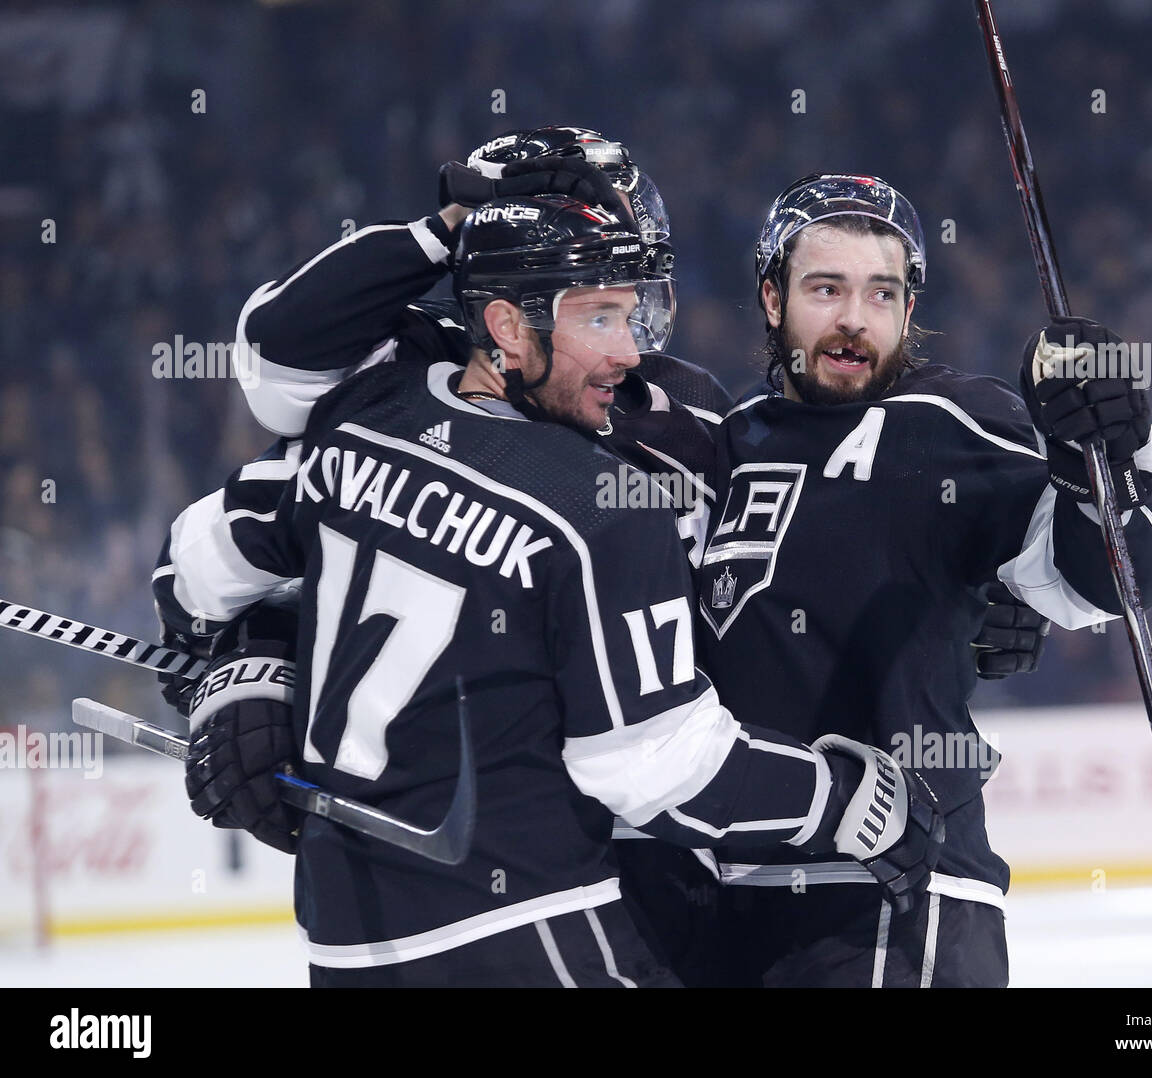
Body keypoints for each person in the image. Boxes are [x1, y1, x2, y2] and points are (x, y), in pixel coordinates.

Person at [153, 190, 946, 987]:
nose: (629, 352)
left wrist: (238, 667)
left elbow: (197, 563)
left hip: (345, 942)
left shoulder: (361, 418)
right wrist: (840, 796)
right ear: (504, 326)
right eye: (598, 318)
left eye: (632, 316)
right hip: (537, 930)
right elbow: (659, 767)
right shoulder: (602, 506)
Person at [686, 173, 1152, 987]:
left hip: (899, 893)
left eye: (882, 294)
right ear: (772, 299)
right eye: (825, 288)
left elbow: (1118, 585)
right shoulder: (728, 439)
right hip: (735, 893)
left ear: (909, 312)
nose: (853, 318)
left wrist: (1106, 460)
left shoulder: (953, 421)